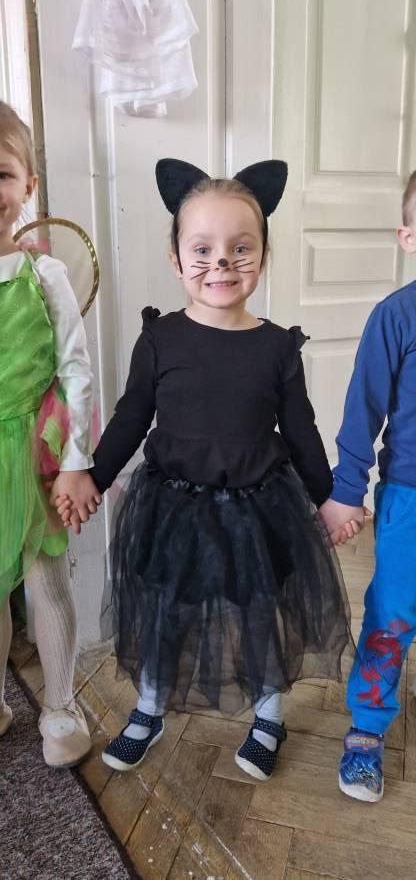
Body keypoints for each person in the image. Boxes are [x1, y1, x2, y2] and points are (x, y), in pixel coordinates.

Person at [57, 158, 352, 782]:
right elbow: (132, 416)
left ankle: (269, 715)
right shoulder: (160, 340)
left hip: (259, 508)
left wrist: (330, 498)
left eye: (240, 248)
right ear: (175, 259)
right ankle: (150, 707)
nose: (221, 262)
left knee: (260, 611)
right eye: (202, 249)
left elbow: (301, 432)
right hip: (173, 508)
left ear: (263, 257)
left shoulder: (277, 346)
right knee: (165, 609)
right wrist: (93, 474)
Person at [0, 100, 101, 768]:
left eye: (1, 173)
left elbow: (75, 370)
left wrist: (74, 461)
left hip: (35, 457)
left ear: (28, 184)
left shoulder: (44, 275)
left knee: (47, 579)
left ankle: (60, 707)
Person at [318, 168, 416, 802]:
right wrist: (346, 489)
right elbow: (363, 409)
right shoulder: (396, 317)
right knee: (393, 612)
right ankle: (368, 727)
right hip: (410, 498)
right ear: (409, 237)